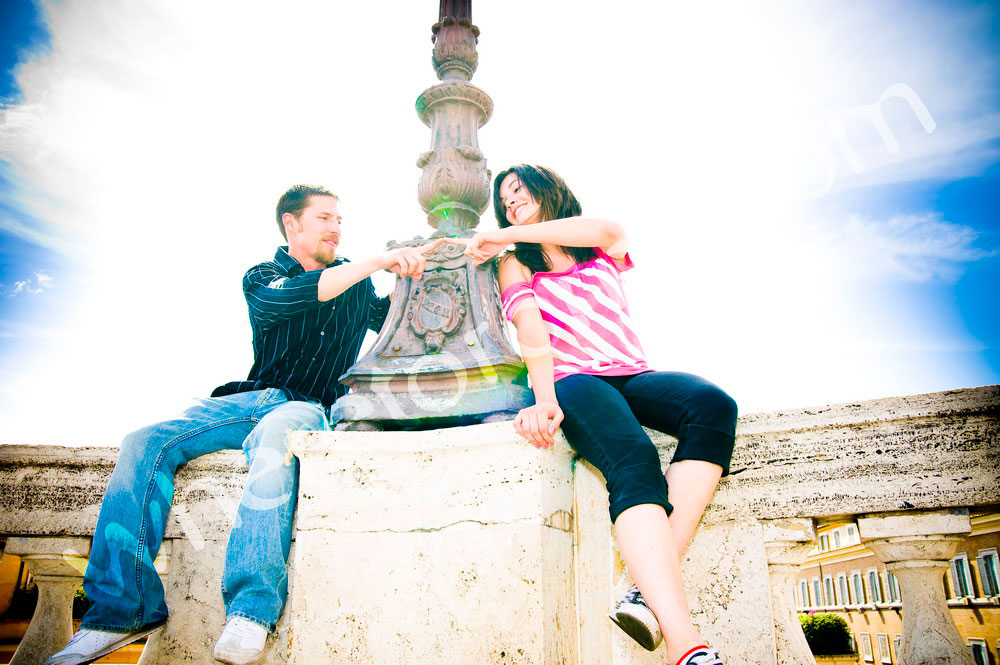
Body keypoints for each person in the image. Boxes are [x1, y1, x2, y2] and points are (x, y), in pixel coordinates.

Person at [46, 185, 443, 665]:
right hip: (248, 398)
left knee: (277, 438)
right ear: (291, 225)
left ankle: (251, 611)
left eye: (339, 218)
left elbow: (402, 329)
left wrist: (419, 275)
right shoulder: (264, 276)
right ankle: (118, 612)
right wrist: (380, 261)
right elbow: (300, 296)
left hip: (305, 406)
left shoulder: (356, 281)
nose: (337, 227)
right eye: (324, 218)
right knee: (144, 441)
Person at [463, 165, 737, 665]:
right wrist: (544, 399)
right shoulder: (515, 264)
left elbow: (607, 229)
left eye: (520, 189)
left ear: (550, 191)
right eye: (504, 199)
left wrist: (504, 231)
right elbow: (531, 331)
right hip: (574, 379)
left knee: (712, 404)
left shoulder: (596, 242)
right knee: (632, 454)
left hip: (630, 372)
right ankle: (687, 648)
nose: (512, 200)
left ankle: (642, 589)